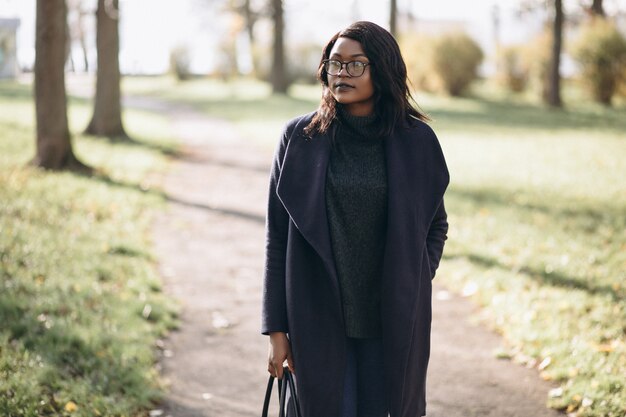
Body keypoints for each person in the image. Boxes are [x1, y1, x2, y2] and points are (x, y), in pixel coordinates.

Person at [262, 21, 449, 417]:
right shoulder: (299, 138)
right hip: (316, 318)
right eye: (334, 64)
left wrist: (414, 275)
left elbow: (435, 224)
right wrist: (276, 330)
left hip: (392, 322)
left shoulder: (417, 141)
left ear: (382, 69)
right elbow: (276, 238)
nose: (341, 74)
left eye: (355, 65)